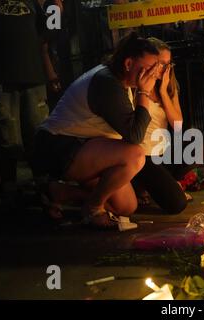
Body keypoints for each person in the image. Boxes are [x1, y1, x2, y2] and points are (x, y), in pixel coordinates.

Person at [33, 32, 160, 228]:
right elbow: (135, 136)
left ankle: (61, 192)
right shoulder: (107, 82)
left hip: (85, 148)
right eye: (149, 69)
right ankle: (93, 208)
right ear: (128, 64)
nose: (154, 75)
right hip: (58, 146)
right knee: (135, 155)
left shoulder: (122, 81)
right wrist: (144, 92)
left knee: (126, 207)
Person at [0, 0, 52, 204]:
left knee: (38, 132)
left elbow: (50, 32)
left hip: (33, 77)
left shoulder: (32, 2)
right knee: (6, 136)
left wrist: (55, 8)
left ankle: (45, 184)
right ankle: (8, 187)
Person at [132, 37, 191, 214]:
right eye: (160, 63)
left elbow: (178, 125)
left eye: (168, 64)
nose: (164, 69)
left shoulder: (169, 86)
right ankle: (142, 185)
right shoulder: (137, 85)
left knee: (196, 145)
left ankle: (167, 183)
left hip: (162, 152)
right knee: (177, 205)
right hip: (143, 154)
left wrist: (164, 92)